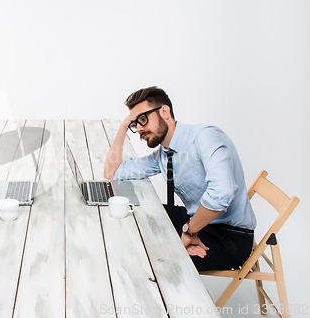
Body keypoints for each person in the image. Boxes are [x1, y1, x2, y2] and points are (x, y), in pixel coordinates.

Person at [104, 86, 256, 271]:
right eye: (135, 125)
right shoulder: (163, 155)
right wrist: (123, 126)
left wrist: (187, 233)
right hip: (197, 222)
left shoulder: (205, 137)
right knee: (134, 216)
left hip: (229, 237)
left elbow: (221, 193)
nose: (140, 130)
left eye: (143, 119)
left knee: (151, 257)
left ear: (165, 112)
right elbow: (113, 172)